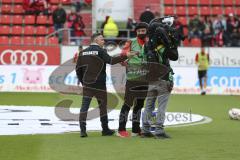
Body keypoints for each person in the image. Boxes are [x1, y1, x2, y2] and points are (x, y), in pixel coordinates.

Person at [76, 33, 137, 137]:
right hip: (100, 84)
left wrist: (83, 82)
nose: (104, 41)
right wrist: (125, 56)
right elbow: (111, 61)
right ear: (95, 40)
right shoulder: (100, 51)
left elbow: (78, 70)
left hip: (87, 84)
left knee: (84, 107)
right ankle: (105, 129)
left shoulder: (82, 53)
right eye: (102, 40)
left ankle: (83, 130)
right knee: (103, 107)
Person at [142, 17, 179, 139]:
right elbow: (175, 56)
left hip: (151, 78)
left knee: (148, 105)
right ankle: (159, 130)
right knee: (162, 105)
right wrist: (172, 40)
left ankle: (145, 129)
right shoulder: (163, 46)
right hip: (163, 78)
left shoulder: (146, 46)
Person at [117, 22, 149, 138]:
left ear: (146, 31)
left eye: (143, 31)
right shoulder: (131, 42)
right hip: (132, 78)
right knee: (127, 104)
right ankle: (121, 129)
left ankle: (136, 129)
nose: (141, 33)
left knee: (139, 104)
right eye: (139, 31)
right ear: (136, 32)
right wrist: (127, 59)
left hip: (145, 78)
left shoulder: (150, 43)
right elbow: (122, 56)